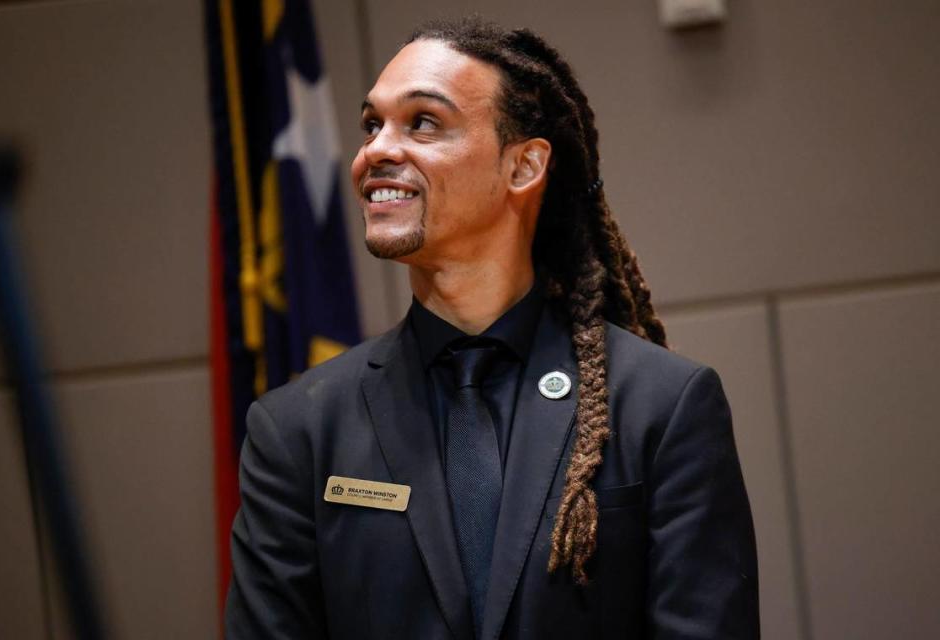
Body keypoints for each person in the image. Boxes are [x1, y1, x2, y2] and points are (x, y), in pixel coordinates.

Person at [225, 16, 759, 640]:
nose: (376, 151)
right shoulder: (295, 431)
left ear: (523, 166)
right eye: (372, 124)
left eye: (423, 122)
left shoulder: (661, 407)